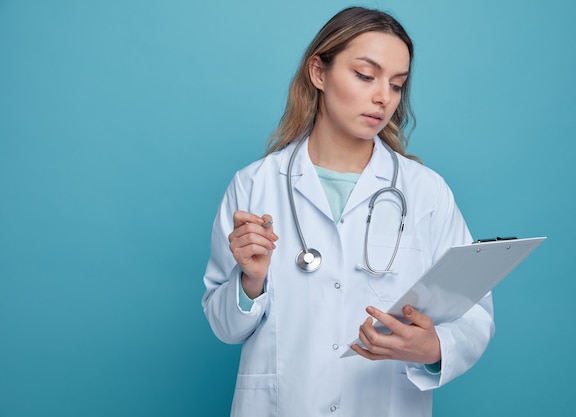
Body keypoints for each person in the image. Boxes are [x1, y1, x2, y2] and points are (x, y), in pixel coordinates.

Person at [202, 6, 495, 417]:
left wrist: (434, 348)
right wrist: (250, 283)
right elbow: (224, 327)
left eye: (397, 85)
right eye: (365, 75)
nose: (383, 98)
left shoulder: (425, 191)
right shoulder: (254, 185)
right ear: (319, 72)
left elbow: (474, 311)